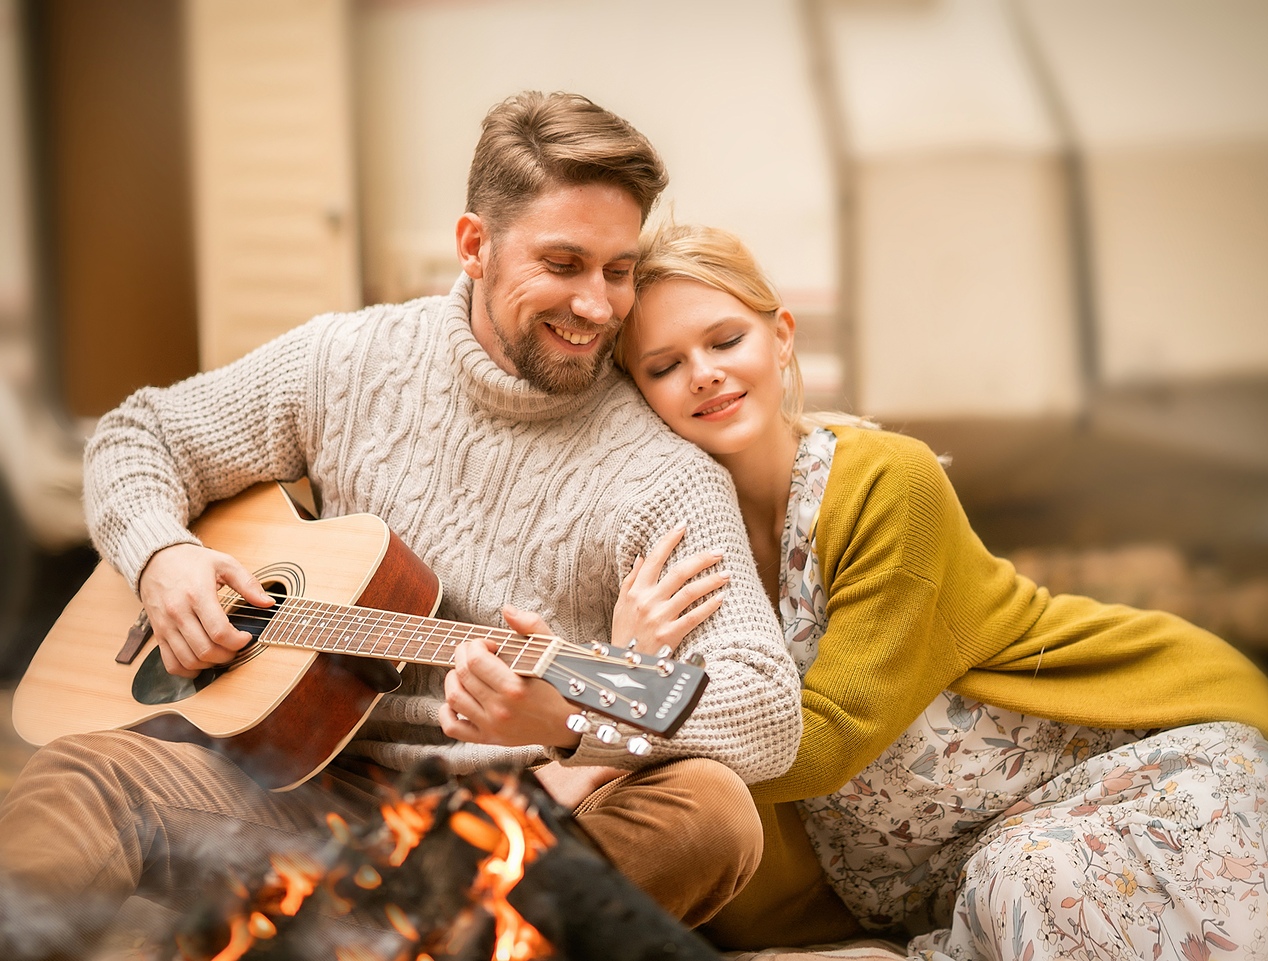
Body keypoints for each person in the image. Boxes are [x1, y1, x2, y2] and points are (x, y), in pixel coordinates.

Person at [0, 94, 804, 959]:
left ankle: (400, 933)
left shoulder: (661, 472)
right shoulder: (347, 363)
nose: (598, 305)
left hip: (510, 827)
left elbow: (764, 710)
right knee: (82, 777)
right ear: (474, 246)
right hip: (291, 785)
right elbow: (141, 433)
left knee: (711, 811)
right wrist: (162, 555)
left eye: (618, 269)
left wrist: (567, 721)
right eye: (563, 262)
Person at [610, 221, 1268, 961]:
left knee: (1030, 875)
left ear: (782, 337)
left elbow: (830, 735)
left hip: (1110, 775)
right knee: (1003, 880)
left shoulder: (889, 479)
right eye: (665, 364)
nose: (702, 372)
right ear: (636, 394)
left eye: (725, 339)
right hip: (941, 882)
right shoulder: (682, 548)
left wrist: (607, 703)